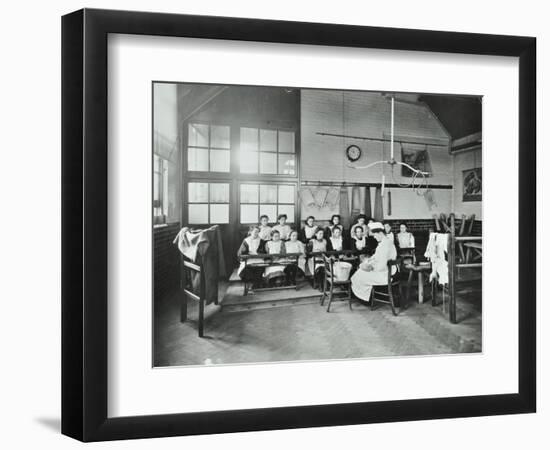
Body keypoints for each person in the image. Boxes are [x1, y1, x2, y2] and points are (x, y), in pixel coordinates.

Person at [351, 221, 397, 302]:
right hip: (387, 270)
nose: (374, 237)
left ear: (380, 233)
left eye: (375, 235)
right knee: (359, 273)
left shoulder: (385, 245)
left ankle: (366, 299)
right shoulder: (385, 242)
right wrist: (369, 260)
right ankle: (365, 296)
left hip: (386, 273)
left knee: (358, 276)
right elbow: (376, 256)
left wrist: (370, 267)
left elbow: (381, 266)